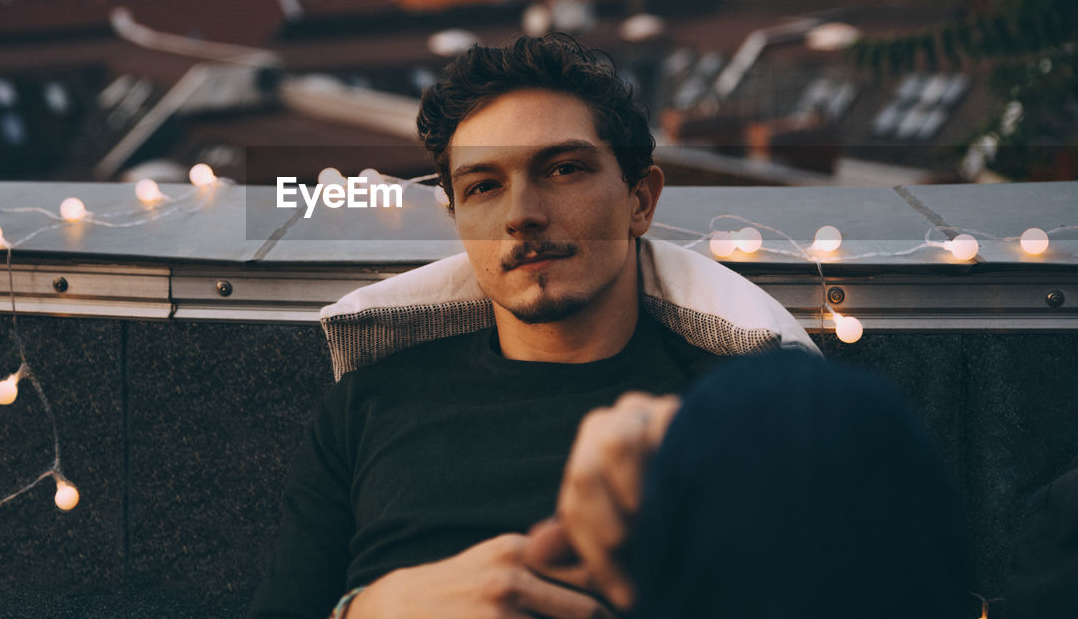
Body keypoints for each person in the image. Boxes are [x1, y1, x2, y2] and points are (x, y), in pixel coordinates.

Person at [250, 34, 959, 618]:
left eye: (562, 169)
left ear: (640, 199)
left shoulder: (730, 408)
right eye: (483, 185)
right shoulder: (370, 401)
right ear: (459, 219)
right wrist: (376, 608)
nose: (521, 212)